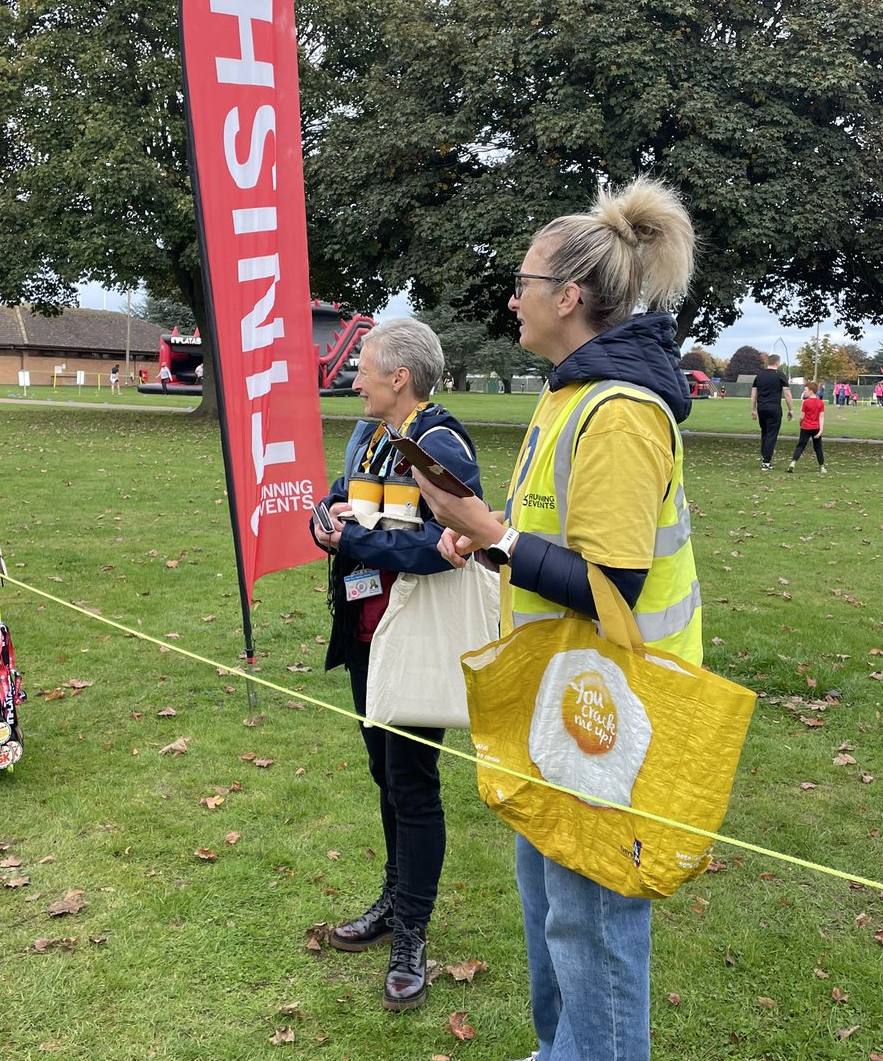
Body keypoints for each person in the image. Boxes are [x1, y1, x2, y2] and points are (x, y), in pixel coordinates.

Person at [414, 176, 702, 1061]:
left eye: (524, 283)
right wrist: (487, 538)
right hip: (563, 706)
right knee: (553, 918)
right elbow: (550, 533)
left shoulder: (618, 412)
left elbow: (612, 583)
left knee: (594, 930)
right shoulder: (567, 395)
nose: (513, 299)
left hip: (619, 717)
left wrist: (493, 535)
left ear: (568, 297)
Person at [309, 318, 484, 1013]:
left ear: (399, 378)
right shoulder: (369, 433)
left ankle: (412, 932)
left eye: (364, 367)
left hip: (411, 638)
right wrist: (324, 523)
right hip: (365, 635)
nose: (354, 379)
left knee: (412, 783)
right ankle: (393, 900)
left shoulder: (439, 443)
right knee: (385, 774)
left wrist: (354, 540)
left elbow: (456, 542)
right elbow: (337, 500)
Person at [750, 354, 793, 470]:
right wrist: (790, 409)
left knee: (764, 432)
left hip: (761, 408)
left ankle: (764, 456)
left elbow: (754, 394)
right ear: (777, 363)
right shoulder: (780, 375)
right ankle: (766, 462)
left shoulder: (759, 376)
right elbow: (787, 393)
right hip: (774, 408)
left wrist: (753, 409)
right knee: (772, 434)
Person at [787, 381, 827, 474]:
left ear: (811, 391)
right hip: (816, 428)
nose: (804, 392)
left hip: (806, 427)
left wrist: (800, 423)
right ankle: (822, 466)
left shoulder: (805, 403)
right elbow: (821, 417)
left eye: (806, 390)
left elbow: (802, 416)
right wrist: (821, 430)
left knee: (800, 446)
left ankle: (793, 462)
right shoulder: (820, 403)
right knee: (818, 447)